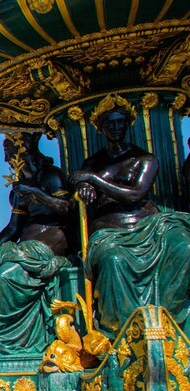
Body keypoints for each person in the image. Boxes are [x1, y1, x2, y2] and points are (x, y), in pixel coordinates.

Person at [71, 94, 190, 337]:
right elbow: (77, 180)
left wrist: (93, 180)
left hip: (151, 226)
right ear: (100, 128)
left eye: (121, 122)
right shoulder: (92, 162)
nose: (116, 128)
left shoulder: (146, 160)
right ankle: (125, 335)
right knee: (113, 260)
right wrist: (82, 186)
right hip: (111, 231)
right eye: (110, 123)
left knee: (185, 248)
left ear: (129, 125)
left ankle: (170, 322)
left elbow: (136, 195)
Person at [0, 132, 74, 355]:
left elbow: (67, 209)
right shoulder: (19, 189)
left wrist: (35, 193)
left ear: (25, 151)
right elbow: (13, 228)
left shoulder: (51, 177)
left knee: (6, 276)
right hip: (23, 248)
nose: (7, 160)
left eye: (10, 153)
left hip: (50, 245)